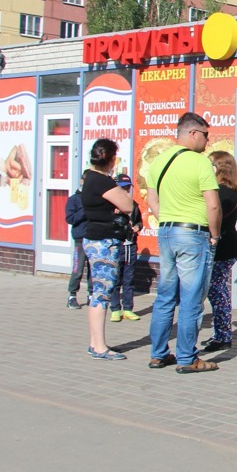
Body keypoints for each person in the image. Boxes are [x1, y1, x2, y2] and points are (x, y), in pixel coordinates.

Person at [146, 113, 222, 374]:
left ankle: (158, 354)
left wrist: (166, 219)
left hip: (167, 232)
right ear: (192, 134)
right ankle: (187, 358)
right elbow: (212, 203)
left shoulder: (159, 161)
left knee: (165, 297)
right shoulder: (199, 163)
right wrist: (215, 234)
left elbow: (151, 200)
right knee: (191, 299)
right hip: (193, 234)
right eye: (205, 135)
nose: (207, 140)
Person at [80, 138, 135, 361]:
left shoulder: (89, 178)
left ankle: (95, 342)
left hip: (94, 238)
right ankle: (100, 347)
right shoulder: (102, 181)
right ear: (112, 159)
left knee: (98, 293)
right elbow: (128, 205)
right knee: (103, 293)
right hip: (104, 242)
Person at [201, 151, 237, 352]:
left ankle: (223, 335)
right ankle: (221, 334)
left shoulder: (224, 192)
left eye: (210, 165)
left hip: (225, 247)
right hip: (226, 246)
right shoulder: (226, 190)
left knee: (217, 290)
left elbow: (211, 215)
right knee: (216, 289)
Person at [108, 173, 142, 323]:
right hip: (116, 246)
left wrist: (137, 227)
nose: (126, 191)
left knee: (129, 280)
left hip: (130, 246)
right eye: (123, 188)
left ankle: (128, 308)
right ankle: (115, 309)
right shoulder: (110, 205)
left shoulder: (133, 204)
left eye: (128, 188)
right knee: (115, 280)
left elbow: (140, 222)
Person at [64, 179, 89, 309]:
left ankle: (91, 295)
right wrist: (84, 210)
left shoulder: (93, 198)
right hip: (80, 238)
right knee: (77, 268)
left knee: (93, 269)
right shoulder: (73, 199)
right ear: (81, 181)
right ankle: (72, 296)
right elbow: (70, 218)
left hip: (94, 237)